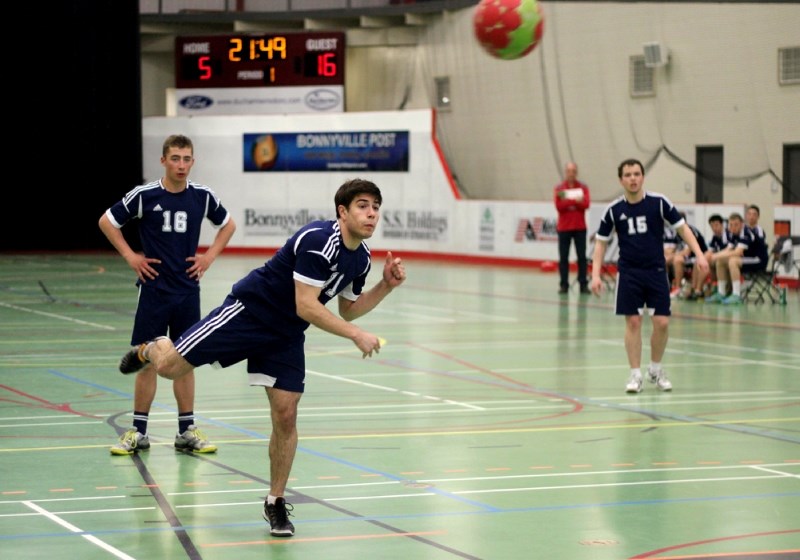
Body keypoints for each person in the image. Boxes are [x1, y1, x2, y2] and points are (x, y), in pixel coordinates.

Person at [116, 178, 406, 537]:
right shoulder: (318, 242)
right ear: (342, 212)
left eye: (376, 207)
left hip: (284, 334)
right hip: (247, 313)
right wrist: (357, 336)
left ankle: (275, 501)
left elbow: (348, 310)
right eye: (363, 205)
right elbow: (307, 304)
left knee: (286, 413)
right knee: (169, 367)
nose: (372, 213)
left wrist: (385, 286)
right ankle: (149, 347)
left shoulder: (361, 258)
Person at [99, 134, 237, 455]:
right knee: (148, 360)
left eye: (187, 159)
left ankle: (186, 430)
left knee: (184, 361)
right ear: (163, 161)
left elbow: (228, 225)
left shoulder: (201, 196)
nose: (181, 165)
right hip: (154, 290)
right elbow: (107, 221)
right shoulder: (145, 195)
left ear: (193, 161)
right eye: (175, 158)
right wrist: (131, 257)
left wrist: (209, 257)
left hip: (188, 290)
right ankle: (138, 431)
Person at [590, 159, 708, 393]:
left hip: (655, 271)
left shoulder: (659, 203)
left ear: (643, 177)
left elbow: (683, 229)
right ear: (621, 179)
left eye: (636, 174)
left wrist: (700, 255)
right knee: (633, 321)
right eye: (627, 175)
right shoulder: (614, 210)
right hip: (629, 273)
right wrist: (595, 275)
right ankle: (635, 375)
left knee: (662, 322)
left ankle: (655, 369)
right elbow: (600, 245)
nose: (633, 178)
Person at [704, 211, 768, 305]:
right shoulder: (733, 233)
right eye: (731, 225)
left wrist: (713, 256)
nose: (733, 227)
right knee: (720, 261)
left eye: (736, 225)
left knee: (733, 261)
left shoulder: (746, 233)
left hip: (758, 260)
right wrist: (712, 257)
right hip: (747, 259)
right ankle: (721, 293)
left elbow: (737, 252)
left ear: (742, 224)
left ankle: (736, 295)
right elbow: (728, 250)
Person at [554, 162, 591, 294]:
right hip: (564, 228)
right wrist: (576, 200)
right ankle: (564, 284)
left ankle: (583, 284)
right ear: (566, 172)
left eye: (574, 171)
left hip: (580, 228)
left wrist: (568, 200)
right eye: (569, 171)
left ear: (577, 172)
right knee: (563, 258)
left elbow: (586, 204)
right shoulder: (560, 188)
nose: (571, 173)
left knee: (582, 257)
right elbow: (559, 206)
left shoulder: (583, 188)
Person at [703, 214, 729, 297]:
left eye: (716, 225)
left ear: (722, 224)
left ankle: (722, 290)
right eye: (712, 226)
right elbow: (710, 251)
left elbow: (729, 250)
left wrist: (714, 256)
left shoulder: (727, 234)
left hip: (727, 260)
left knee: (718, 262)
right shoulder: (715, 237)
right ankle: (711, 285)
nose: (714, 228)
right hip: (719, 259)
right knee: (705, 261)